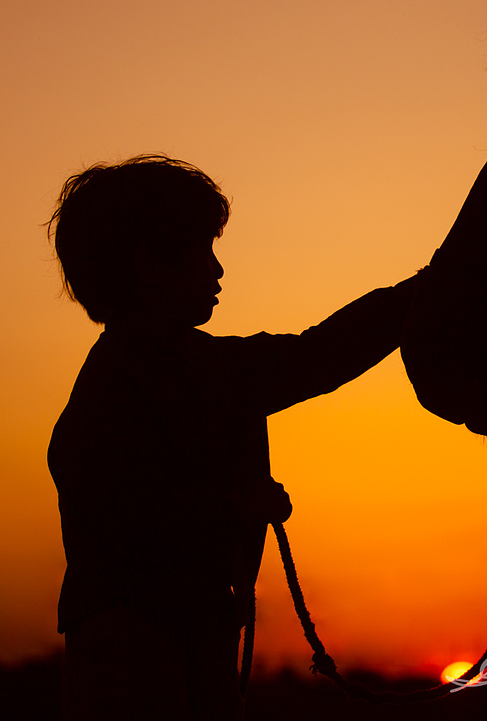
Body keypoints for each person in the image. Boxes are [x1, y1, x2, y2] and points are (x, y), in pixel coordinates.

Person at [46, 154, 416, 719]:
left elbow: (320, 355)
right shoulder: (115, 391)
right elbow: (130, 517)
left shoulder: (207, 368)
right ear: (149, 265)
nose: (218, 271)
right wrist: (237, 508)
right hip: (130, 659)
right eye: (203, 249)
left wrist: (427, 293)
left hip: (193, 650)